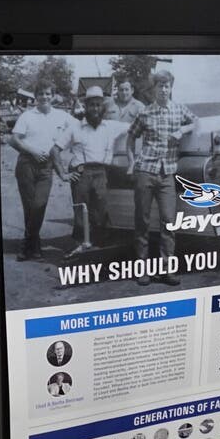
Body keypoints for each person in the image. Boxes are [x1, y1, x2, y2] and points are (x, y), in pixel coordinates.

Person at [127, 72, 195, 286]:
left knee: (169, 221)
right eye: (160, 86)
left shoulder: (179, 109)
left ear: (171, 88)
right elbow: (131, 137)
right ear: (154, 89)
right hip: (145, 171)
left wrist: (182, 130)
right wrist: (132, 162)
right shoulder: (145, 113)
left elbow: (195, 122)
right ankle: (142, 270)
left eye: (167, 86)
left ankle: (167, 269)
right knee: (142, 221)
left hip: (167, 174)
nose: (163, 90)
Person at [8, 83, 73, 261]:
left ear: (53, 96)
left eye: (48, 94)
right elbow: (14, 139)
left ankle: (26, 243)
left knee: (39, 205)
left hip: (46, 167)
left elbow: (78, 128)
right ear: (36, 96)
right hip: (26, 165)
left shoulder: (62, 116)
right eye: (41, 94)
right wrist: (33, 151)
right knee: (29, 207)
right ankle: (34, 247)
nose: (45, 97)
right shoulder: (27, 116)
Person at [59, 87, 127, 248]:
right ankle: (80, 246)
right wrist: (63, 174)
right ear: (85, 106)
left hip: (101, 173)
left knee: (100, 212)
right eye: (91, 105)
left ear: (103, 107)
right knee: (81, 212)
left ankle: (98, 248)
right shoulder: (75, 127)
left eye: (98, 105)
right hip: (81, 173)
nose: (95, 109)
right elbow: (55, 150)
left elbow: (136, 126)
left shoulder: (111, 126)